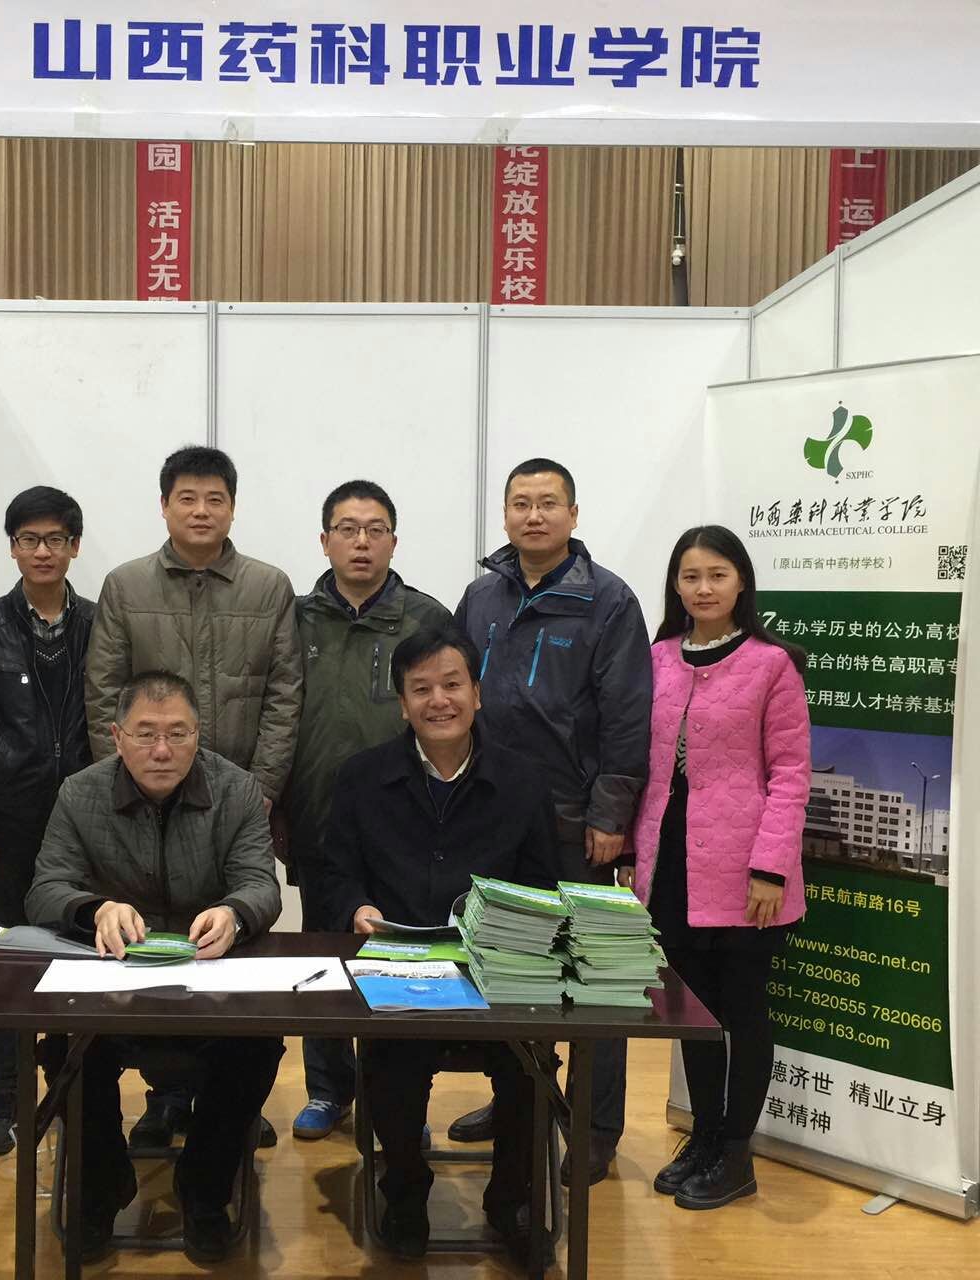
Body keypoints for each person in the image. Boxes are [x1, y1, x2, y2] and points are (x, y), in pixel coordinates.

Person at [84, 444, 302, 1147]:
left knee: (226, 939)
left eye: (215, 498)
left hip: (236, 807)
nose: (201, 510)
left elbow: (284, 695)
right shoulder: (125, 586)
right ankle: (167, 1098)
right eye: (187, 498)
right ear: (164, 506)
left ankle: (229, 1100)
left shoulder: (269, 587)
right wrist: (123, 792)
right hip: (143, 805)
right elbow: (104, 694)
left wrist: (261, 789)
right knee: (155, 940)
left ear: (232, 507)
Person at [26, 671, 284, 1264]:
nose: (162, 750)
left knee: (257, 1047)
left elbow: (260, 884)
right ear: (117, 737)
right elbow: (45, 888)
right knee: (68, 1050)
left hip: (211, 984)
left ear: (199, 734)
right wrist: (95, 908)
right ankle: (100, 1187)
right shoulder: (80, 794)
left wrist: (234, 912)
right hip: (113, 986)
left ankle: (204, 1190)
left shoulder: (237, 789)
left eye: (178, 733)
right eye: (145, 734)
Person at [322, 626, 557, 1261]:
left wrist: (510, 926)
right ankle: (404, 1189)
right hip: (398, 969)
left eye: (452, 685)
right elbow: (335, 872)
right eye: (421, 689)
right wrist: (356, 908)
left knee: (532, 1066)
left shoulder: (524, 780)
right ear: (402, 704)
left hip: (495, 969)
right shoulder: (361, 778)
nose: (439, 701)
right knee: (390, 1064)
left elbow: (544, 882)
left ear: (477, 693)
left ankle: (511, 1198)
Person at [451, 457, 651, 1183]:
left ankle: (595, 1128)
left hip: (578, 818)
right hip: (495, 815)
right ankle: (522, 1101)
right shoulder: (481, 595)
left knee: (595, 977)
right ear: (505, 514)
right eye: (520, 503)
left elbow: (628, 716)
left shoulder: (609, 601)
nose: (533, 516)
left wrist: (611, 812)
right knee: (505, 963)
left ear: (573, 514)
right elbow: (452, 692)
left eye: (548, 503)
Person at [623, 525, 809, 1210]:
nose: (703, 588)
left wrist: (771, 868)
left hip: (746, 871)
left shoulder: (772, 664)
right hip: (671, 865)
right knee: (693, 1012)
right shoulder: (657, 658)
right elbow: (643, 767)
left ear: (741, 583)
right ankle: (702, 1138)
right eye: (690, 576)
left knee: (743, 1010)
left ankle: (736, 1153)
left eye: (717, 575)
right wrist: (633, 859)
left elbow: (790, 775)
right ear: (675, 584)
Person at [287, 479, 451, 1141]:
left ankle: (397, 1095)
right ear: (324, 540)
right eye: (347, 529)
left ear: (394, 540)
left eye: (375, 529)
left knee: (399, 959)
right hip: (315, 818)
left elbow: (450, 715)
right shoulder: (295, 619)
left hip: (406, 827)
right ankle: (328, 1089)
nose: (361, 542)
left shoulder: (427, 618)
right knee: (324, 956)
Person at [0, 486, 96, 1155]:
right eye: (30, 539)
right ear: (13, 547)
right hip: (9, 818)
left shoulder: (98, 622)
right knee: (7, 957)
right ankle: (6, 1098)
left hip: (86, 818)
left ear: (75, 546)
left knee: (81, 953)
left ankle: (71, 1089)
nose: (43, 551)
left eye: (56, 539)